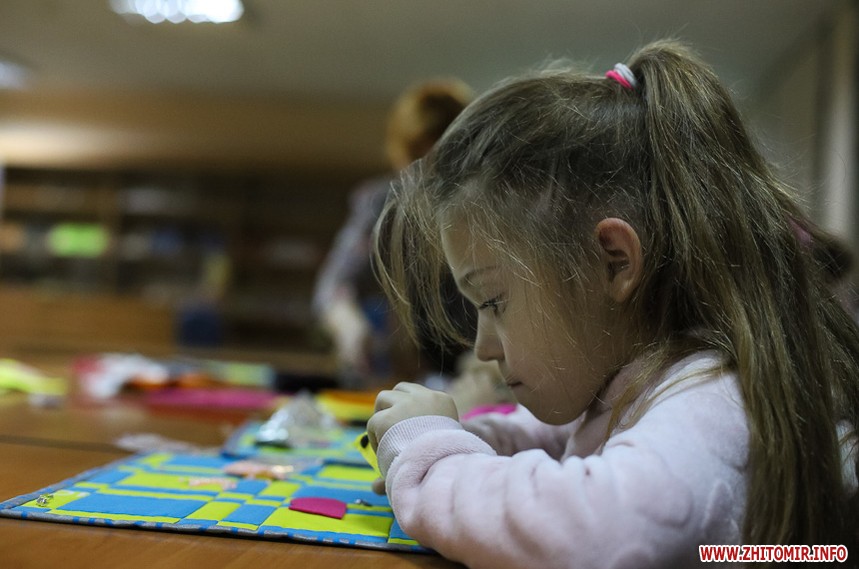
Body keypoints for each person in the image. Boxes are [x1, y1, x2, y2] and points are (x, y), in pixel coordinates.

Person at [367, 40, 859, 568]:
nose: (483, 347)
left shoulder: (718, 396)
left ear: (615, 262)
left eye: (493, 301)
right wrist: (464, 438)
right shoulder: (642, 381)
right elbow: (563, 437)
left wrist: (432, 458)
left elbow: (591, 538)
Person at [313, 78, 475, 387]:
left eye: (443, 157)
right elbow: (333, 287)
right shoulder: (381, 203)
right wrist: (349, 326)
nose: (428, 173)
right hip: (398, 373)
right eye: (418, 157)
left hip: (469, 375)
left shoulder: (484, 210)